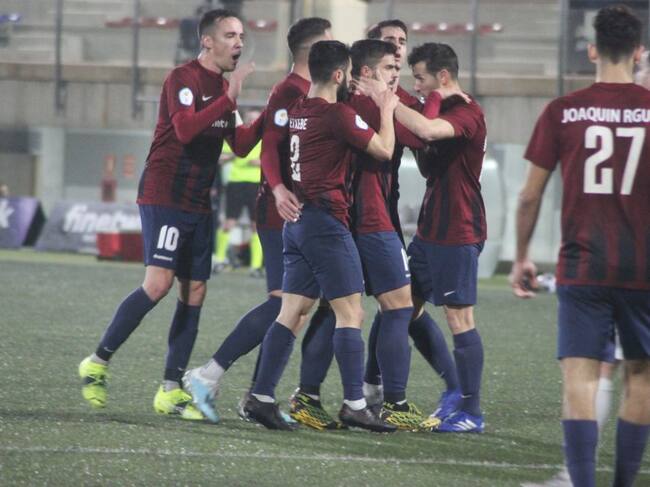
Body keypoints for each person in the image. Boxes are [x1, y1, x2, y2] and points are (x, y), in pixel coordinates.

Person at [78, 9, 262, 420]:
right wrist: (229, 98)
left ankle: (169, 389)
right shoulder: (183, 78)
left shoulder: (222, 88)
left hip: (198, 200)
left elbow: (241, 146)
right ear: (207, 41)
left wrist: (273, 114)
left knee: (194, 291)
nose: (239, 43)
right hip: (165, 194)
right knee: (158, 284)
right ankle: (97, 361)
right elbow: (185, 130)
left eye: (241, 36)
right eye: (230, 35)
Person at [511, 5, 650, 486]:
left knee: (581, 376)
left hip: (583, 265)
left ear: (592, 50)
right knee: (641, 376)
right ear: (638, 52)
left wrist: (522, 255)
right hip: (643, 269)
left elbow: (529, 195)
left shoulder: (563, 110)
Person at [182, 17, 333, 425]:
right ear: (313, 50)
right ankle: (210, 375)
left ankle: (257, 394)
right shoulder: (290, 90)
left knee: (299, 306)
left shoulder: (311, 91)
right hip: (278, 211)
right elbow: (268, 148)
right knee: (286, 303)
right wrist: (280, 189)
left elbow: (254, 141)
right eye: (330, 42)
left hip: (301, 212)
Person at [242, 40, 399, 432]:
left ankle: (261, 397)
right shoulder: (337, 115)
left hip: (298, 224)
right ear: (339, 74)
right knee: (351, 313)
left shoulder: (298, 110)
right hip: (326, 224)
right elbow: (384, 149)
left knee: (292, 312)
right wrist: (387, 108)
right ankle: (354, 404)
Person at [363, 19, 462, 423]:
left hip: (379, 213)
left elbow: (423, 151)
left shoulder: (398, 96)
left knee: (396, 303)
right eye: (389, 42)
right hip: (363, 217)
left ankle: (365, 391)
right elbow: (422, 136)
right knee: (395, 304)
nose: (398, 48)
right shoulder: (366, 95)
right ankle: (389, 399)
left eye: (402, 41)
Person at [387, 42, 487, 433]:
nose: (417, 85)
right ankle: (453, 389)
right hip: (431, 230)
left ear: (442, 76)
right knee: (404, 307)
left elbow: (427, 130)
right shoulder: (436, 107)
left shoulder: (466, 111)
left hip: (458, 229)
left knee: (459, 317)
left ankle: (471, 412)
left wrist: (388, 101)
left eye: (421, 78)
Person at [213, 109, 264, 276]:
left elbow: (274, 159)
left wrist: (261, 162)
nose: (252, 122)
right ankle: (219, 260)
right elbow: (219, 157)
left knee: (256, 225)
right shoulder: (236, 137)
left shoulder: (264, 138)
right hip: (235, 183)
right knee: (229, 222)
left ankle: (256, 266)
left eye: (255, 119)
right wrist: (233, 156)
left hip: (256, 184)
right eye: (250, 118)